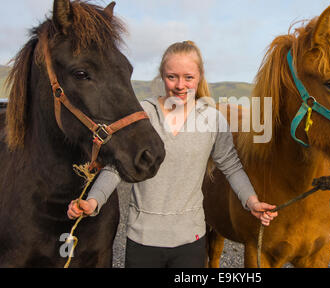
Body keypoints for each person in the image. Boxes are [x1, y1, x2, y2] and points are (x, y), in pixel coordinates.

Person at [67, 41, 278, 268]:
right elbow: (116, 166)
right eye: (172, 77)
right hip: (143, 240)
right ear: (161, 76)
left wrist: (252, 202)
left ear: (199, 77)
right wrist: (93, 201)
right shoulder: (142, 114)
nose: (180, 85)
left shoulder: (213, 119)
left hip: (191, 242)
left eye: (188, 77)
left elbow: (231, 166)